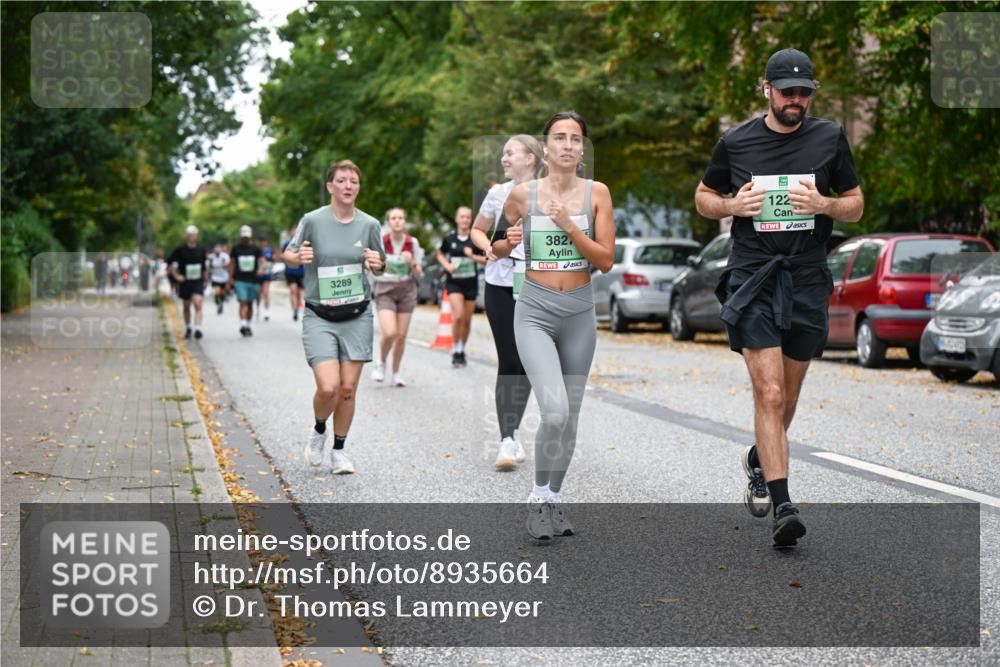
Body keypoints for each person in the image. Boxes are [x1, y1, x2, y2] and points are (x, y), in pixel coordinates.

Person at [695, 48, 864, 547]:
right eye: (788, 91)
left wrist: (825, 203)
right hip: (754, 275)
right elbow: (703, 197)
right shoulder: (737, 141)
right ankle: (783, 504)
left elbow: (854, 205)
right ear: (765, 89)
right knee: (768, 393)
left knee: (787, 397)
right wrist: (730, 204)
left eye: (804, 92)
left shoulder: (830, 138)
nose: (797, 100)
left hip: (807, 276)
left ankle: (759, 458)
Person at [500, 111, 615, 540]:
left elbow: (605, 260)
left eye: (575, 138)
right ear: (545, 147)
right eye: (559, 137)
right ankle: (537, 498)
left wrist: (568, 225)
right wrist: (504, 242)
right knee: (555, 410)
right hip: (534, 311)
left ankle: (553, 499)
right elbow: (495, 244)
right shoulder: (522, 195)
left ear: (582, 148)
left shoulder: (597, 193)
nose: (567, 145)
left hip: (579, 312)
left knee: (572, 416)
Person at [281, 160, 386, 475]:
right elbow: (288, 252)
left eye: (354, 181)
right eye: (342, 180)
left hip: (357, 314)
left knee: (348, 388)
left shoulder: (370, 225)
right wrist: (297, 257)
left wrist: (376, 262)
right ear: (330, 187)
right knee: (328, 387)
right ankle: (318, 430)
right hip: (320, 315)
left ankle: (339, 451)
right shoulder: (312, 221)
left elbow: (381, 265)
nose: (349, 186)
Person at [471, 135, 545, 471]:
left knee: (528, 361)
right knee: (510, 357)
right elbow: (477, 229)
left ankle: (512, 432)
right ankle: (507, 438)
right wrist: (488, 247)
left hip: (536, 284)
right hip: (500, 284)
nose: (504, 158)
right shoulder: (498, 193)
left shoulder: (550, 192)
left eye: (510, 153)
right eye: (503, 153)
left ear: (530, 158)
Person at [371, 208, 423, 387]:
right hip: (385, 289)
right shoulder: (381, 241)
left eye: (401, 218)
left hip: (406, 290)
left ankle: (396, 372)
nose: (397, 221)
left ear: (405, 222)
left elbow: (418, 274)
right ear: (388, 222)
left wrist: (412, 262)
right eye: (393, 218)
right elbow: (373, 267)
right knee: (390, 332)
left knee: (401, 336)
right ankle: (381, 362)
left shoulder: (412, 242)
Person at [436, 207, 487, 367]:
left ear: (470, 220)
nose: (464, 220)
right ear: (457, 219)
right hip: (454, 283)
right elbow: (440, 253)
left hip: (470, 283)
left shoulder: (476, 239)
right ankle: (455, 349)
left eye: (467, 217)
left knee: (466, 320)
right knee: (457, 316)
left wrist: (472, 256)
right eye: (462, 217)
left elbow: (486, 259)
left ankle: (461, 349)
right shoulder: (450, 239)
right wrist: (447, 266)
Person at [167, 225, 209, 339]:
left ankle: (198, 328)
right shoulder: (179, 250)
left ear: (197, 236)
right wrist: (177, 276)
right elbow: (170, 264)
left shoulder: (201, 250)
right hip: (185, 281)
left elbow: (205, 266)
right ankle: (188, 326)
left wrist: (206, 279)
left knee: (198, 303)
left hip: (198, 281)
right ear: (186, 236)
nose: (192, 237)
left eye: (194, 235)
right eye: (190, 235)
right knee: (186, 305)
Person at [229, 225, 263, 337]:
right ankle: (243, 324)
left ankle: (248, 325)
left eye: (247, 237)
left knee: (250, 303)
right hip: (240, 279)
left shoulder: (256, 249)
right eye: (243, 237)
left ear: (250, 236)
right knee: (242, 301)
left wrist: (260, 269)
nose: (245, 239)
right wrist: (230, 278)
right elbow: (232, 264)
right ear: (241, 236)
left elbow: (262, 261)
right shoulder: (236, 249)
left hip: (253, 280)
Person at [282, 226, 306, 321]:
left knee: (299, 293)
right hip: (290, 272)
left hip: (300, 272)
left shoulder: (302, 244)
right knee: (293, 291)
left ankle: (297, 309)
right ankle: (294, 311)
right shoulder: (286, 244)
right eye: (293, 231)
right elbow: (282, 255)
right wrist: (289, 258)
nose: (294, 233)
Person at [209, 245, 230, 314]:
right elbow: (208, 267)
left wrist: (224, 263)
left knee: (222, 293)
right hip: (215, 278)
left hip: (224, 278)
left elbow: (228, 264)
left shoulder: (225, 256)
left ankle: (222, 303)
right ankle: (218, 304)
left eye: (218, 250)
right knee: (217, 292)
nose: (217, 252)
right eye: (216, 251)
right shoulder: (211, 257)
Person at [258, 236, 274, 321]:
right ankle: (257, 308)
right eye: (261, 242)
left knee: (265, 292)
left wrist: (267, 262)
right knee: (258, 293)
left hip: (266, 274)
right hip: (258, 275)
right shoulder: (256, 250)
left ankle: (266, 311)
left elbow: (273, 260)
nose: (263, 243)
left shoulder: (270, 250)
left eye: (264, 241)